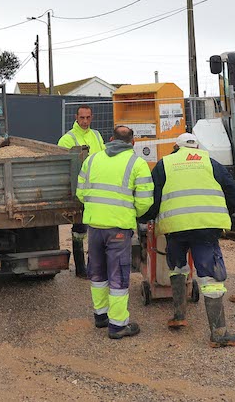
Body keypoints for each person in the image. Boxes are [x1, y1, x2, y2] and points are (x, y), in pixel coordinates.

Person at [140, 131, 235, 347]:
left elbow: (153, 199)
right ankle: (218, 333)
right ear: (196, 148)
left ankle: (179, 316)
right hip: (205, 227)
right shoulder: (210, 163)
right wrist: (223, 212)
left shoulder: (165, 164)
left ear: (176, 148)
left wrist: (146, 217)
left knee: (177, 267)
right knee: (211, 277)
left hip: (175, 227)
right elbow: (234, 193)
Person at [76, 125, 153, 339]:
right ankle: (118, 325)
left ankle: (101, 315)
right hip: (118, 228)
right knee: (118, 275)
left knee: (98, 272)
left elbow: (80, 193)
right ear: (133, 142)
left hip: (95, 226)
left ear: (110, 139)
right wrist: (130, 213)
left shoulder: (92, 159)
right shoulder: (137, 163)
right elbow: (145, 201)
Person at [58, 105, 106, 278]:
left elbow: (104, 157)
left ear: (92, 117)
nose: (85, 121)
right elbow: (63, 167)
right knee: (79, 229)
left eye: (88, 117)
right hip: (80, 191)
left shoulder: (97, 135)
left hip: (98, 190)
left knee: (97, 230)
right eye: (82, 118)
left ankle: (94, 266)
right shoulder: (67, 139)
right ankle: (80, 268)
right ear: (76, 118)